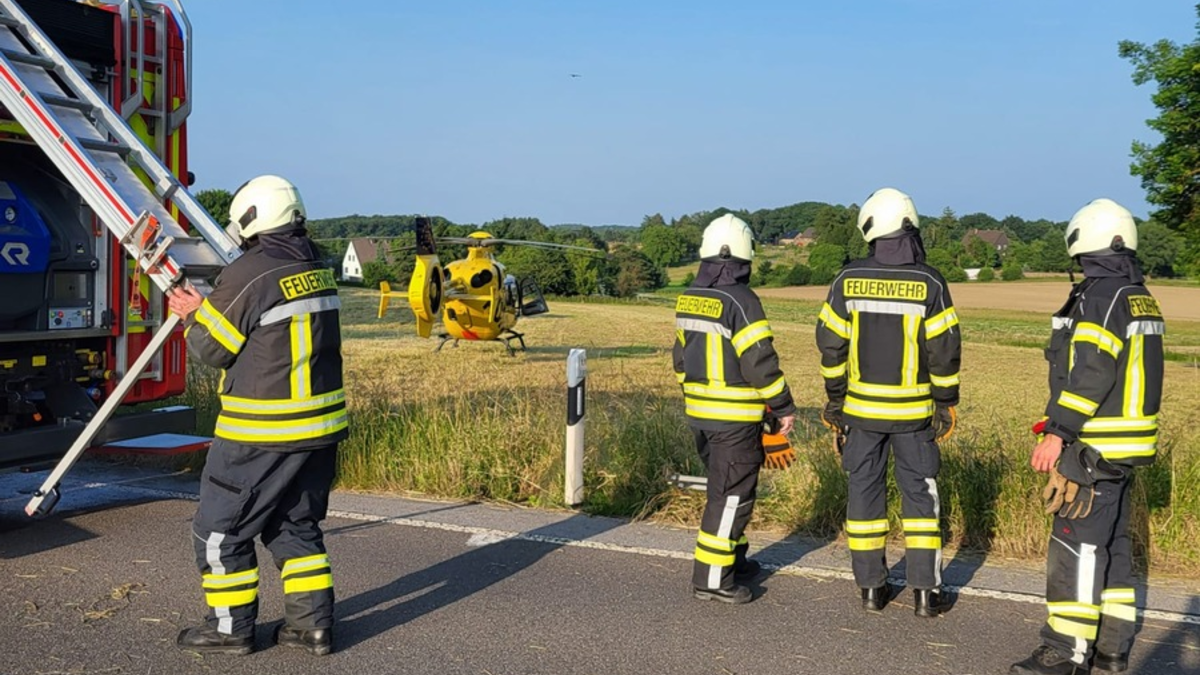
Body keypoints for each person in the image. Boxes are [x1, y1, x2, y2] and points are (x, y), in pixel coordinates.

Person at [166, 175, 347, 656]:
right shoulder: (316, 264)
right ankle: (311, 627)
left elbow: (212, 348)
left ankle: (229, 629)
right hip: (320, 428)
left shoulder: (251, 270)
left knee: (218, 531)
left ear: (250, 218)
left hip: (262, 430)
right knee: (293, 524)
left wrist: (194, 313)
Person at [1010, 199, 1164, 675]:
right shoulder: (1138, 294)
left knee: (1075, 544)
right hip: (1130, 444)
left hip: (1095, 445)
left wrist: (1057, 433)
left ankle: (1066, 651)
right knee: (1114, 545)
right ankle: (1111, 648)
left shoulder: (1100, 297)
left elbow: (1092, 372)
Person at [815, 187, 960, 617]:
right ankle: (923, 594)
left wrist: (835, 401)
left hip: (860, 413)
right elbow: (945, 350)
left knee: (863, 498)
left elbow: (830, 346)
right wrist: (945, 401)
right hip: (915, 416)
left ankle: (871, 590)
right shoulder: (930, 281)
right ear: (910, 228)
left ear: (871, 230)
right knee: (921, 501)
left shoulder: (846, 279)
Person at [672, 214, 797, 604]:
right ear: (744, 256)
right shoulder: (742, 301)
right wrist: (782, 406)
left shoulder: (690, 295)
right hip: (735, 419)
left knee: (726, 488)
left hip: (701, 415)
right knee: (730, 497)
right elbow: (759, 360)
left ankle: (735, 558)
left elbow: (679, 356)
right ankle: (711, 579)